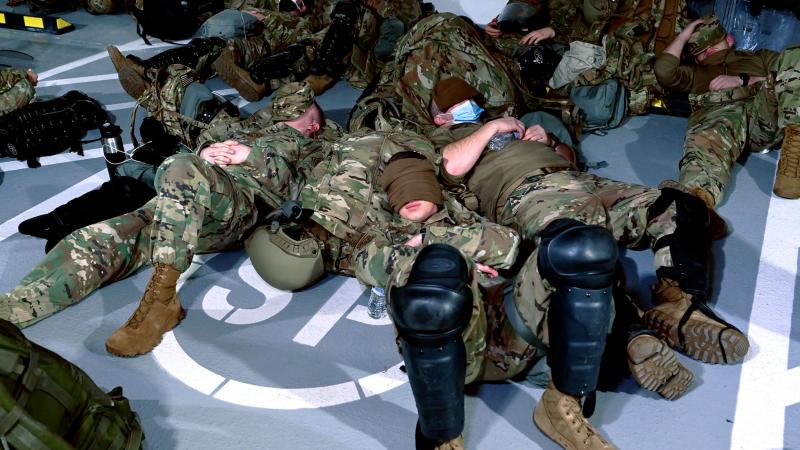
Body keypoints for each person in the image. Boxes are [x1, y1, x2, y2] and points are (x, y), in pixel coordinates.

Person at [354, 144, 695, 449]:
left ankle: (563, 405)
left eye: (417, 184)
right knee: (435, 273)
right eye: (398, 190)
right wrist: (449, 254)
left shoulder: (466, 213)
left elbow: (508, 244)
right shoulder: (384, 235)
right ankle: (441, 438)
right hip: (455, 350)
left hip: (516, 328)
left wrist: (433, 237)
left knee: (583, 248)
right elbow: (370, 264)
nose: (408, 194)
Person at [0, 82, 332, 358]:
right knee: (95, 240)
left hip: (242, 208)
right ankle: (13, 309)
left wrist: (252, 157)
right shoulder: (256, 126)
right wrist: (207, 152)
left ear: (313, 126)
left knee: (179, 165)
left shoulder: (318, 144)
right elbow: (209, 143)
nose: (285, 119)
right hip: (186, 203)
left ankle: (162, 302)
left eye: (298, 117)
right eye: (284, 113)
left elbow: (305, 186)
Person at [654, 14, 800, 201]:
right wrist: (684, 34)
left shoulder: (759, 57)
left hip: (763, 115)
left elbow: (790, 72)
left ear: (729, 40)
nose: (707, 52)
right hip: (719, 119)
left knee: (794, 54)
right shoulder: (694, 73)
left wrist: (744, 80)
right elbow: (663, 71)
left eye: (713, 44)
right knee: (706, 142)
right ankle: (696, 202)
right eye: (700, 51)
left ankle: (794, 154)